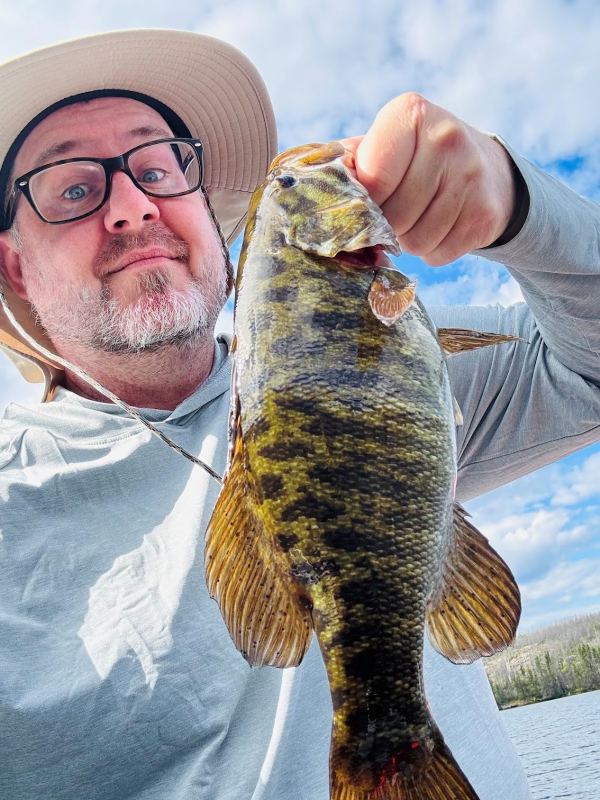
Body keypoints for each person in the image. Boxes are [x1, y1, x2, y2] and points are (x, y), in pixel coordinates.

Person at [0, 28, 598, 800]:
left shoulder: (403, 372)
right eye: (73, 188)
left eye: (156, 167)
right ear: (13, 263)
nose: (131, 205)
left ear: (208, 218)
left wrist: (522, 204)